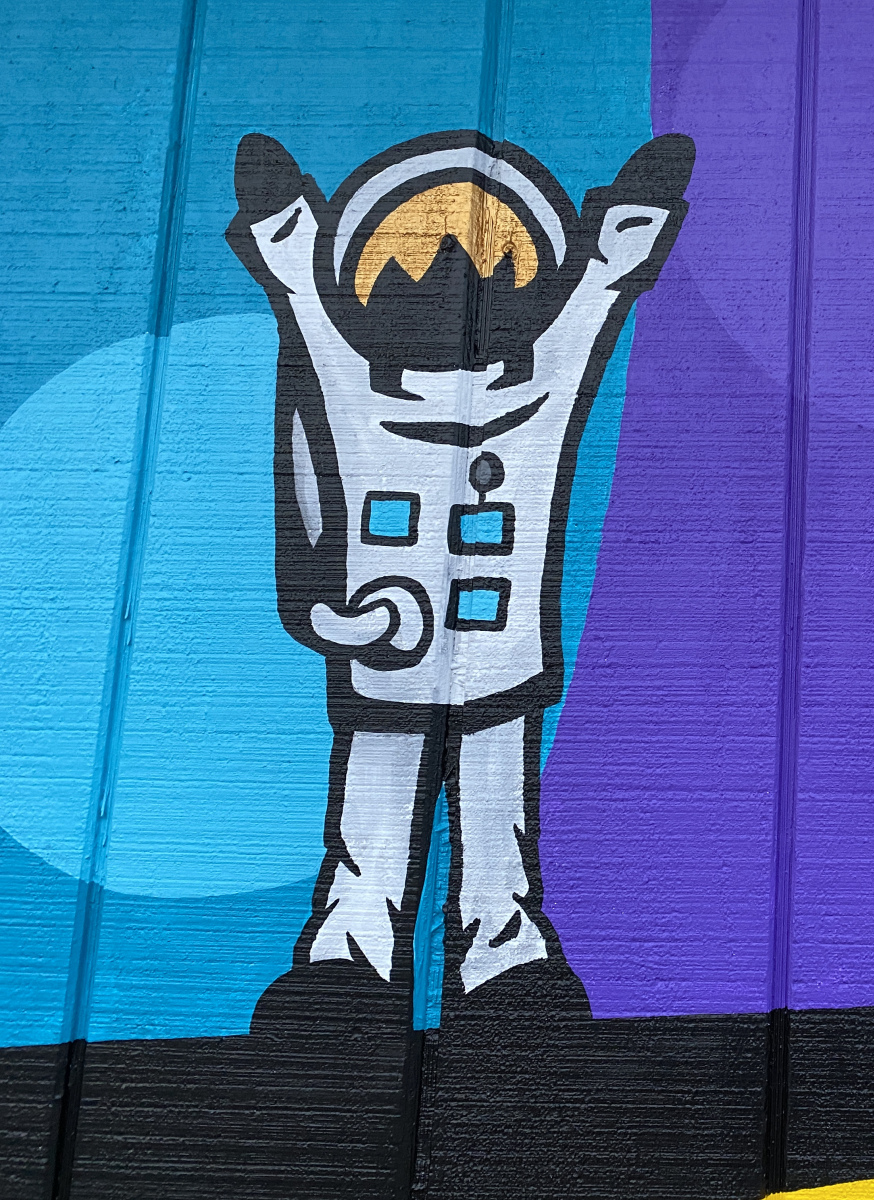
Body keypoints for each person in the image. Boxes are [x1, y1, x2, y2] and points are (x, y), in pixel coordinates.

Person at [226, 128, 694, 1028]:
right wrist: (336, 616)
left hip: (492, 658)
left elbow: (596, 291)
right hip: (400, 662)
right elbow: (307, 303)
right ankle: (363, 945)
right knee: (387, 802)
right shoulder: (363, 394)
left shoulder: (532, 392)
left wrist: (638, 210)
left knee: (488, 808)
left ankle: (496, 943)